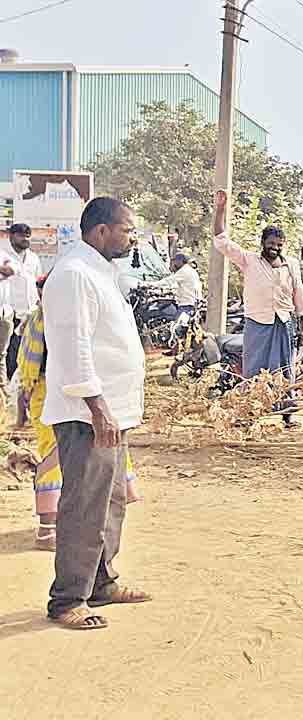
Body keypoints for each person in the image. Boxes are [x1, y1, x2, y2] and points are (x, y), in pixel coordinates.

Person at [41, 197, 150, 630]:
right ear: (101, 230)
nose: (132, 237)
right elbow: (73, 349)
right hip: (88, 414)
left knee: (111, 501)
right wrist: (97, 407)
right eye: (127, 229)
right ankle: (68, 598)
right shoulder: (74, 274)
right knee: (85, 504)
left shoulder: (102, 272)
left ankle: (101, 582)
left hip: (112, 412)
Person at [17, 275, 141, 551]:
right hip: (54, 396)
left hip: (79, 397)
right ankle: (47, 529)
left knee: (90, 460)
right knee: (55, 459)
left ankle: (78, 526)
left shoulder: (60, 317)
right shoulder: (45, 320)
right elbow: (35, 366)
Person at [212, 191, 303, 428]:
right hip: (258, 322)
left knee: (285, 368)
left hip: (284, 322)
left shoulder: (291, 265)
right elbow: (220, 239)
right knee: (254, 368)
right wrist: (221, 209)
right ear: (262, 243)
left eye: (278, 245)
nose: (274, 248)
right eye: (271, 244)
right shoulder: (249, 260)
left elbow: (299, 294)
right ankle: (248, 413)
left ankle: (287, 414)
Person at [1, 222, 42, 379]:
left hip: (29, 312)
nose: (25, 239)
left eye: (27, 236)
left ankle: (20, 382)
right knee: (9, 353)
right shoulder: (3, 255)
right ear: (11, 236)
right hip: (10, 312)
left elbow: (37, 282)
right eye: (21, 236)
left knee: (25, 352)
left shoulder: (33, 258)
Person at [144, 252, 202, 319]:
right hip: (191, 304)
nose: (174, 263)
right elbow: (175, 287)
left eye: (174, 261)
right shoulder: (191, 271)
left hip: (186, 305)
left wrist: (150, 284)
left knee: (178, 328)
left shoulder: (184, 270)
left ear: (179, 261)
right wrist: (159, 292)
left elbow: (169, 281)